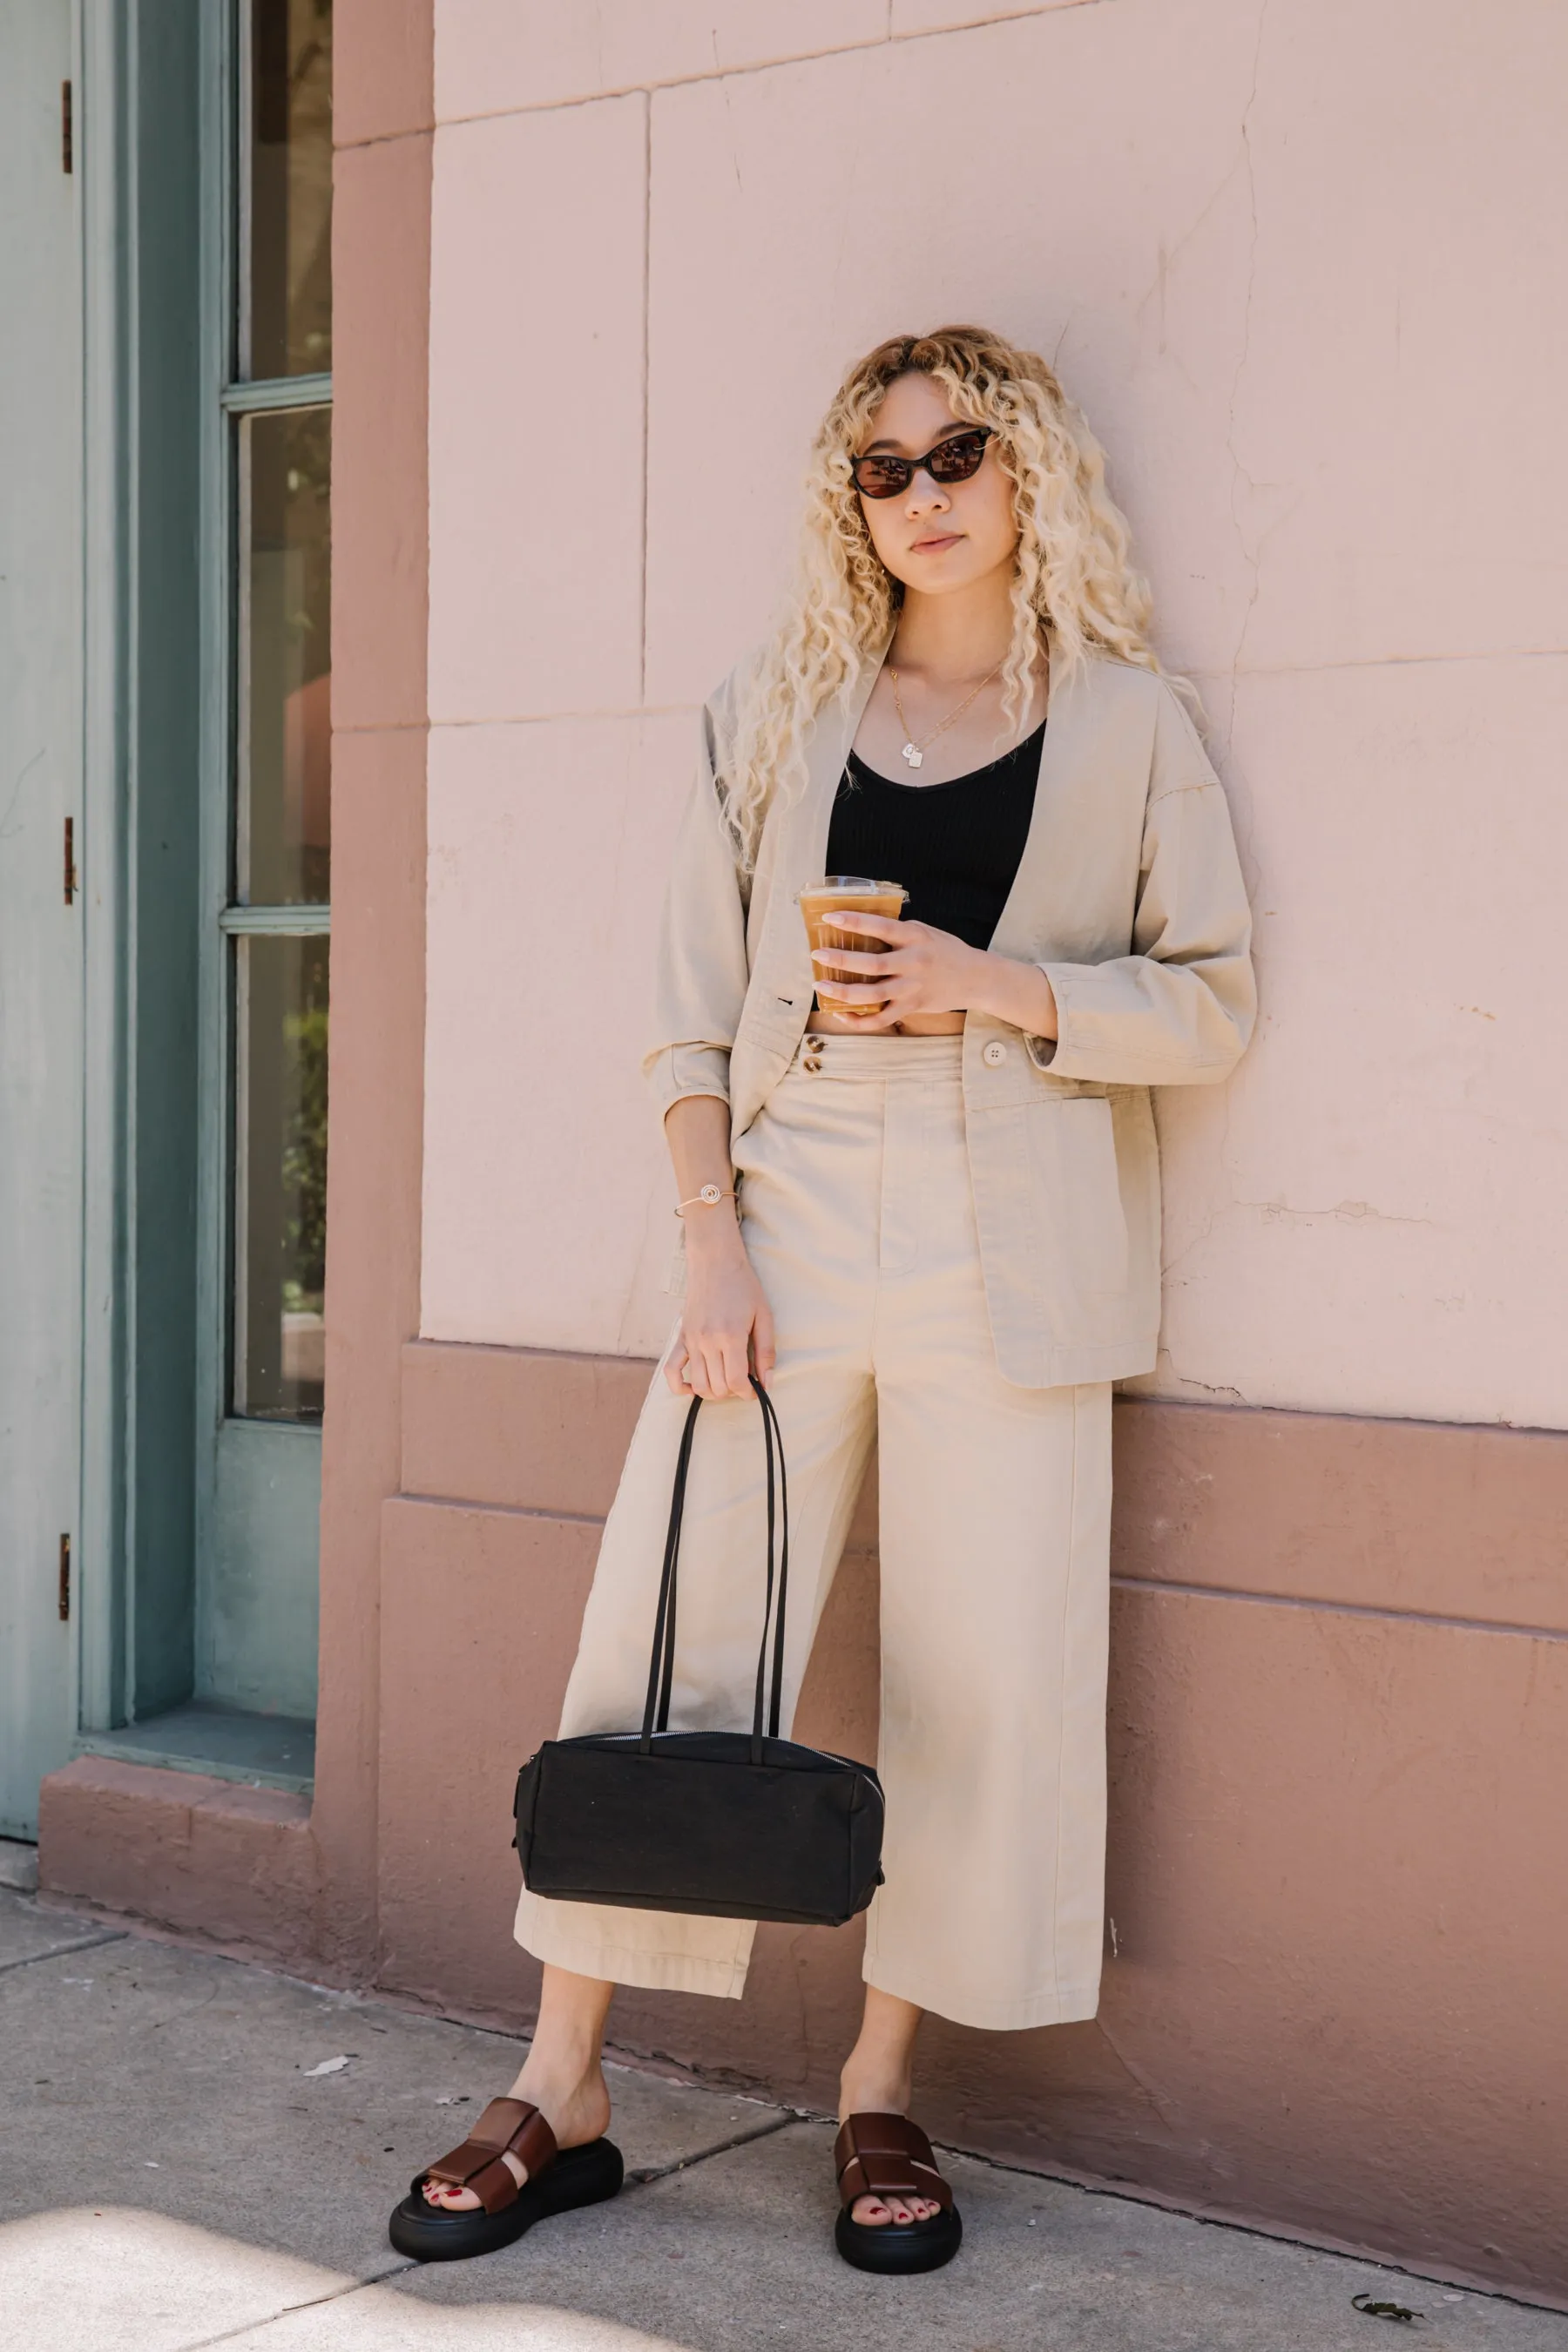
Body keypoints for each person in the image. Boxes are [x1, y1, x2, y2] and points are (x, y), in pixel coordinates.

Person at [390, 325, 1255, 2274]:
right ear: (847, 501)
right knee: (667, 1630)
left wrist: (998, 986)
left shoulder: (1125, 727)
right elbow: (685, 1016)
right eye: (885, 467)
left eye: (960, 455)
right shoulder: (777, 708)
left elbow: (1210, 1001)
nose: (925, 493)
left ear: (1027, 471)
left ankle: (882, 2091)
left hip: (1018, 1224)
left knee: (983, 1673)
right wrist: (711, 1241)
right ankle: (564, 2077)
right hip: (787, 1200)